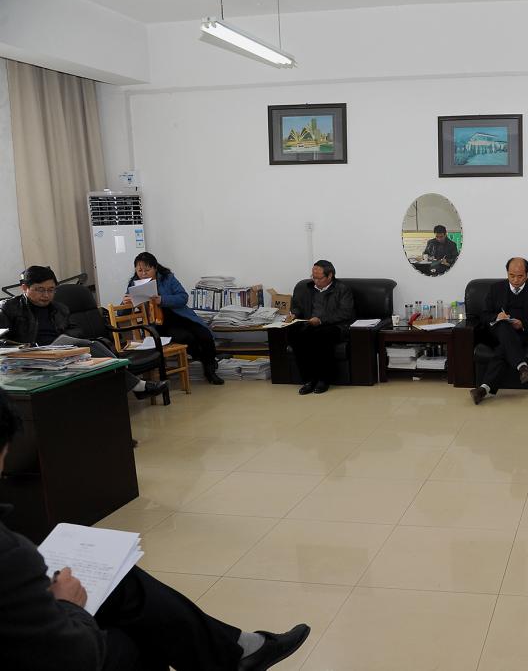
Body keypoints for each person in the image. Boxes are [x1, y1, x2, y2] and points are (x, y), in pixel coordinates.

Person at [0, 387, 310, 670]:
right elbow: (75, 657)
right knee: (142, 638)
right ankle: (236, 655)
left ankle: (237, 651)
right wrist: (69, 605)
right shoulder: (11, 555)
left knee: (122, 582)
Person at [0, 265, 167, 400]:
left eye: (51, 290)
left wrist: (64, 340)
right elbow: (2, 340)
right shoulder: (9, 308)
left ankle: (129, 388)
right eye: (40, 290)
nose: (46, 295)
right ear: (24, 288)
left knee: (96, 350)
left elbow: (76, 330)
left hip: (61, 354)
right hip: (30, 357)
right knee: (93, 347)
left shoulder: (60, 308)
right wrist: (27, 348)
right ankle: (138, 385)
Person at [125, 252, 223, 385]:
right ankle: (207, 362)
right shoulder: (134, 285)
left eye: (147, 270)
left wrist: (162, 300)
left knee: (204, 334)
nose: (143, 274)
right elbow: (122, 313)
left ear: (155, 268)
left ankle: (210, 370)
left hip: (180, 316)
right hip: (159, 325)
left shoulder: (167, 278)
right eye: (140, 270)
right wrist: (125, 303)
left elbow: (183, 297)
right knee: (186, 337)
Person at [469, 257, 528, 404]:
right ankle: (522, 366)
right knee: (504, 325)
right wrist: (497, 316)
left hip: (522, 333)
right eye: (511, 276)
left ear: (527, 274)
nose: (515, 280)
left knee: (504, 349)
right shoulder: (496, 288)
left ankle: (483, 389)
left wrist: (523, 323)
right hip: (497, 333)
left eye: (520, 276)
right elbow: (484, 315)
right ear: (507, 273)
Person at [285, 259, 354, 395]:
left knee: (320, 336)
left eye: (319, 278)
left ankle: (324, 379)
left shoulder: (342, 289)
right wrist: (294, 314)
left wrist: (321, 320)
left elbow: (345, 312)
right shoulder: (305, 288)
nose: (315, 281)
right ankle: (309, 380)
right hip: (309, 324)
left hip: (334, 326)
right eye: (313, 277)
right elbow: (297, 307)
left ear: (330, 276)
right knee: (294, 334)